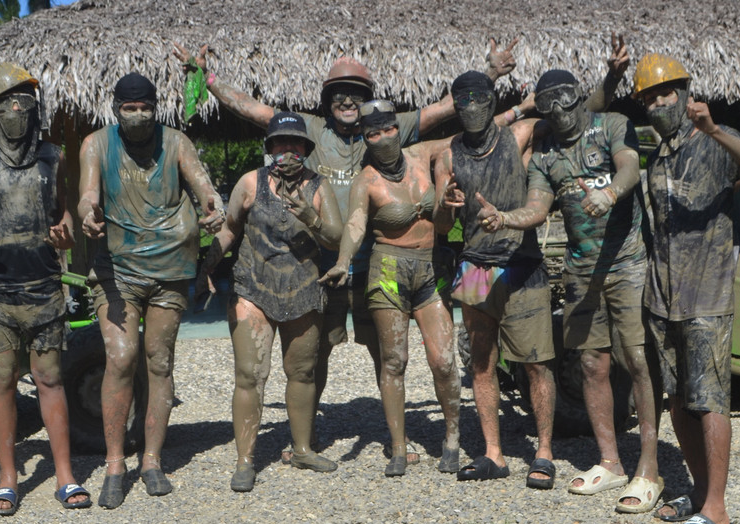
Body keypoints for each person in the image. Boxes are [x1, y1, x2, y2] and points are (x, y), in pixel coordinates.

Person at [174, 40, 520, 464]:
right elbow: (250, 108)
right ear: (327, 99)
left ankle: (399, 440)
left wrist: (489, 74)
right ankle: (307, 436)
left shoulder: (390, 127)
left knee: (389, 356)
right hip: (322, 268)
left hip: (380, 265)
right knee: (312, 358)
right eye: (339, 92)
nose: (348, 99)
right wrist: (207, 78)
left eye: (357, 91)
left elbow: (450, 108)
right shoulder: (311, 132)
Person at [433, 35, 629, 486]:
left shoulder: (519, 136)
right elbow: (443, 227)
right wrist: (446, 202)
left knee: (536, 362)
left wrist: (612, 78)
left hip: (522, 263)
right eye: (462, 100)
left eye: (479, 98)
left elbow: (576, 111)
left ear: (490, 99)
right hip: (474, 267)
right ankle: (494, 453)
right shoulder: (447, 155)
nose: (470, 107)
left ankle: (543, 452)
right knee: (481, 361)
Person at [505, 68, 662, 512]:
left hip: (628, 262)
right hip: (580, 269)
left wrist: (611, 192)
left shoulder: (611, 125)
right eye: (553, 112)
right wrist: (505, 218)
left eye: (569, 107)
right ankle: (609, 461)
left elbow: (631, 165)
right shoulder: (544, 154)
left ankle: (648, 469)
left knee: (637, 361)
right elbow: (537, 206)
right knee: (592, 363)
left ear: (578, 102)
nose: (564, 117)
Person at [632, 54, 740, 524]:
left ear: (686, 92)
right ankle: (698, 490)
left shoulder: (716, 139)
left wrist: (713, 129)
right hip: (663, 295)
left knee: (710, 400)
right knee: (677, 399)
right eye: (649, 97)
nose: (658, 103)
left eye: (665, 93)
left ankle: (718, 511)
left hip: (707, 292)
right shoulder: (658, 156)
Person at [78, 72, 224, 509]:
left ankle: (153, 459)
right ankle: (114, 461)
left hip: (170, 266)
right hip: (117, 267)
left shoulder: (176, 142)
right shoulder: (96, 144)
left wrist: (210, 205)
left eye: (145, 108)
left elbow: (201, 183)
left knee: (159, 360)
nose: (138, 116)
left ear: (155, 108)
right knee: (121, 357)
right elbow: (88, 192)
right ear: (116, 108)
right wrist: (88, 213)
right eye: (130, 108)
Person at [0, 62, 89, 515]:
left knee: (50, 379)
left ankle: (65, 474)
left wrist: (66, 232)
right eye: (8, 102)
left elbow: (65, 210)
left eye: (25, 101)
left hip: (44, 285)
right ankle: (7, 478)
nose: (17, 109)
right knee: (3, 380)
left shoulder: (53, 157)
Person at [196, 112, 343, 492]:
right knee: (249, 374)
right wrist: (206, 267)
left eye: (295, 145)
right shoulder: (250, 183)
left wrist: (311, 216)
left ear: (305, 150)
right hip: (253, 287)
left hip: (303, 288)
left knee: (302, 372)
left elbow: (335, 239)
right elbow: (229, 229)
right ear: (270, 148)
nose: (288, 151)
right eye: (280, 144)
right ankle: (246, 460)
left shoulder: (319, 186)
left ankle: (303, 448)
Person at [320, 100, 461, 477]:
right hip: (387, 271)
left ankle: (451, 438)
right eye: (372, 134)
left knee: (444, 360)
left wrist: (517, 107)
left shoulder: (424, 153)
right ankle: (398, 447)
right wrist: (341, 262)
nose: (382, 138)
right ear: (365, 138)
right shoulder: (365, 179)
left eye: (388, 130)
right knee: (394, 360)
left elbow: (469, 135)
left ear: (399, 128)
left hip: (431, 268)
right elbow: (355, 223)